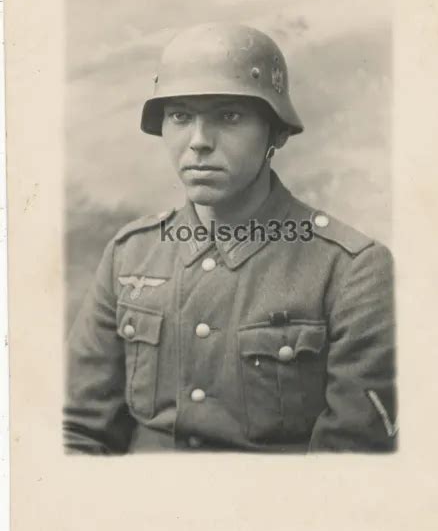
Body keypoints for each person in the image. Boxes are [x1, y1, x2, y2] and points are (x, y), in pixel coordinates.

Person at [64, 22, 397, 454]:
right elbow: (74, 431)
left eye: (230, 116)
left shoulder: (352, 271)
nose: (199, 142)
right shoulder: (130, 255)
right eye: (181, 116)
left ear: (275, 133)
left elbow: (347, 466)